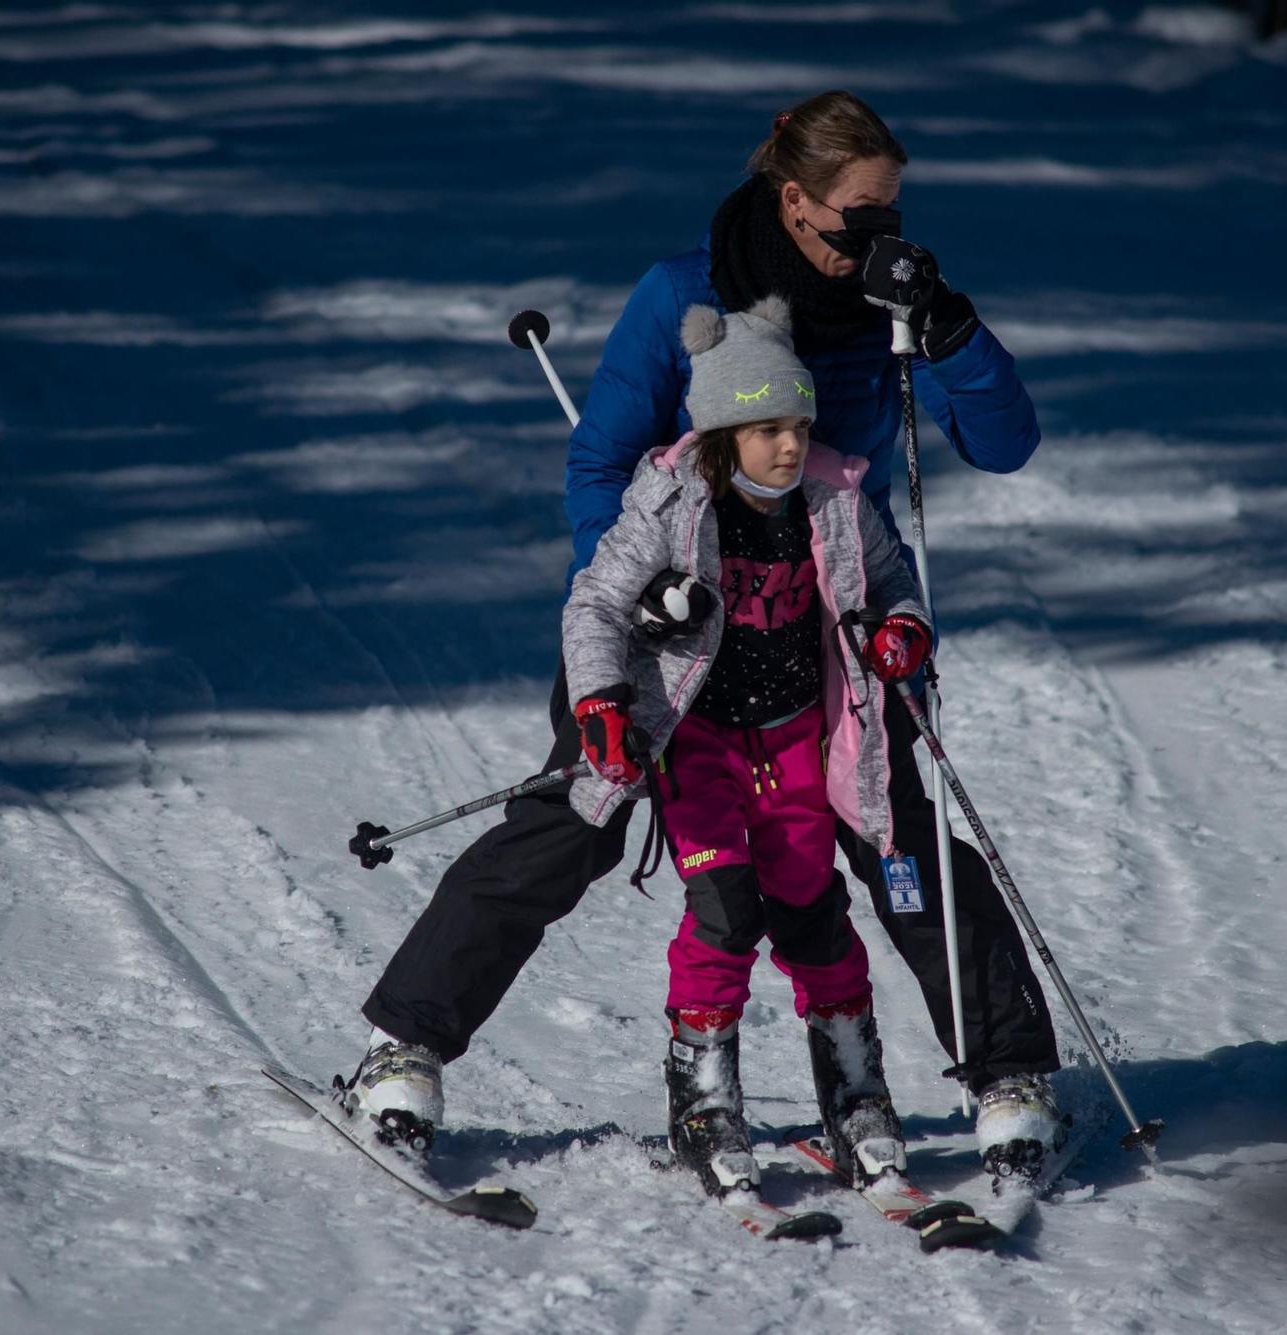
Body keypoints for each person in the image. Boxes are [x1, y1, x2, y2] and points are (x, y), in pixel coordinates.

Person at [347, 90, 1066, 1180]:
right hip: (670, 624)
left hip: (822, 632)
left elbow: (1004, 445)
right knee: (572, 819)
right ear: (792, 200)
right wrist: (642, 598)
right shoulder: (683, 291)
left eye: (892, 219)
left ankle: (1007, 1071)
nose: (877, 244)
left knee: (898, 837)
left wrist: (950, 323)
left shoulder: (891, 309)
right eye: (855, 221)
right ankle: (400, 1052)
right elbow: (600, 466)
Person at [559, 296, 930, 1197]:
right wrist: (603, 700)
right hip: (703, 748)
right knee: (724, 910)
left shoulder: (837, 501)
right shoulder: (671, 502)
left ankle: (855, 1091)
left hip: (798, 739)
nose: (789, 444)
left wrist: (903, 632)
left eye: (797, 423)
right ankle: (706, 1099)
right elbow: (596, 604)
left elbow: (893, 584)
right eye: (765, 428)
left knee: (811, 908)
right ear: (723, 429)